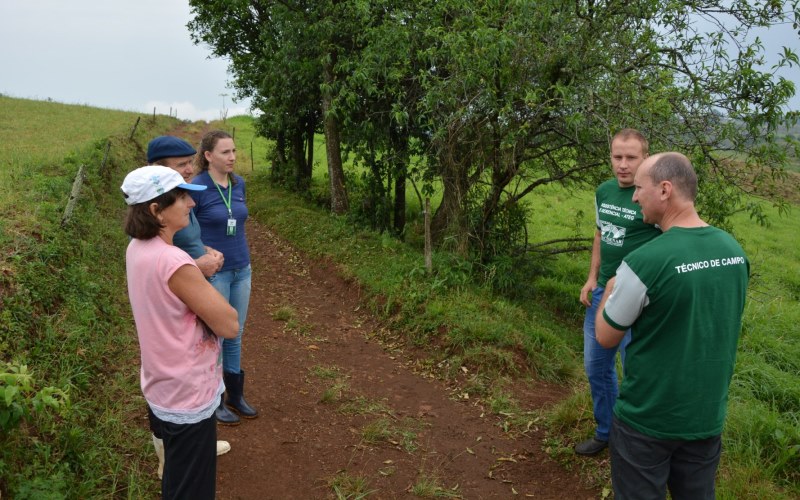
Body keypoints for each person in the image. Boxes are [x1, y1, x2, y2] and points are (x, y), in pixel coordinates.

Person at [596, 153, 749, 499]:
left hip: (647, 418)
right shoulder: (735, 252)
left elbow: (606, 337)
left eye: (639, 188)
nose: (634, 197)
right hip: (705, 418)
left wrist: (609, 287)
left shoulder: (645, 261)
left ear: (664, 190)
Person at [122, 165, 239, 499]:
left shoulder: (136, 248)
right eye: (182, 197)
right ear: (156, 210)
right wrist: (202, 274)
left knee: (177, 475)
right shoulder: (174, 261)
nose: (191, 203)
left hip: (162, 384)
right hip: (188, 393)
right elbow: (229, 324)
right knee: (193, 489)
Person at [145, 136, 231, 474]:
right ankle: (169, 460)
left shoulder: (181, 201)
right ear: (157, 170)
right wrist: (201, 267)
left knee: (203, 362)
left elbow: (185, 243)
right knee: (173, 371)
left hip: (193, 288)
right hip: (178, 299)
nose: (190, 169)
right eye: (181, 165)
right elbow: (161, 264)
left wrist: (204, 252)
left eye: (190, 162)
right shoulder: (158, 211)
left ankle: (198, 440)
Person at [576, 129, 661, 456]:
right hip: (602, 296)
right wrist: (592, 277)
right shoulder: (604, 191)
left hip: (638, 301)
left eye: (631, 158)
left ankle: (636, 443)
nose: (623, 165)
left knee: (636, 373)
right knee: (596, 367)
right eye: (617, 157)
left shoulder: (653, 196)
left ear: (645, 158)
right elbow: (600, 234)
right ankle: (606, 432)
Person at [192, 130, 258, 424]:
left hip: (241, 268)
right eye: (225, 152)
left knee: (235, 331)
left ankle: (236, 394)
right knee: (215, 333)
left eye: (234, 151)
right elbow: (188, 232)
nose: (232, 157)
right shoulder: (197, 187)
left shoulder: (238, 183)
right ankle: (214, 398)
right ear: (208, 156)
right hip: (214, 274)